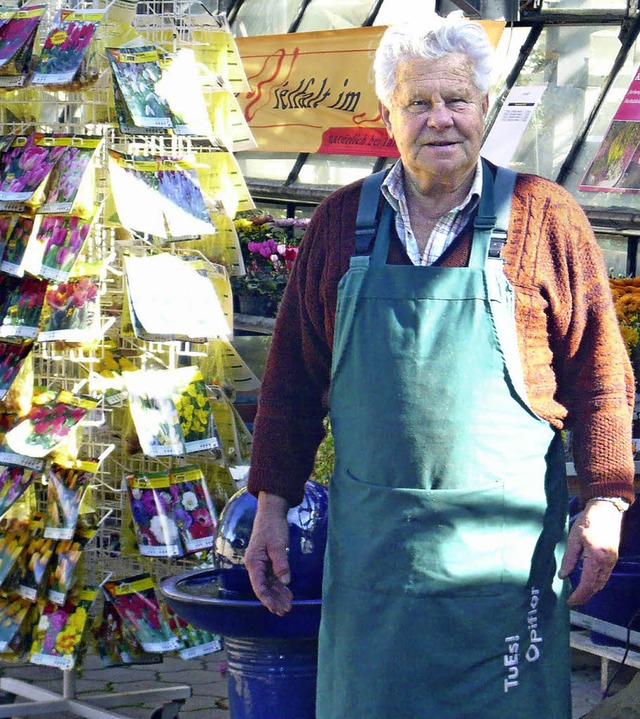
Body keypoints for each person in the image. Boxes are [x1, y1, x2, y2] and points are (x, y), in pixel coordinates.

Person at [245, 11, 636, 719]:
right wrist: (270, 504)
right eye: (417, 102)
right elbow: (292, 386)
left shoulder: (543, 217)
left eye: (457, 100)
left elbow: (602, 378)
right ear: (388, 114)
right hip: (374, 566)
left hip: (503, 566)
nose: (440, 119)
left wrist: (606, 500)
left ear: (485, 107)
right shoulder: (339, 224)